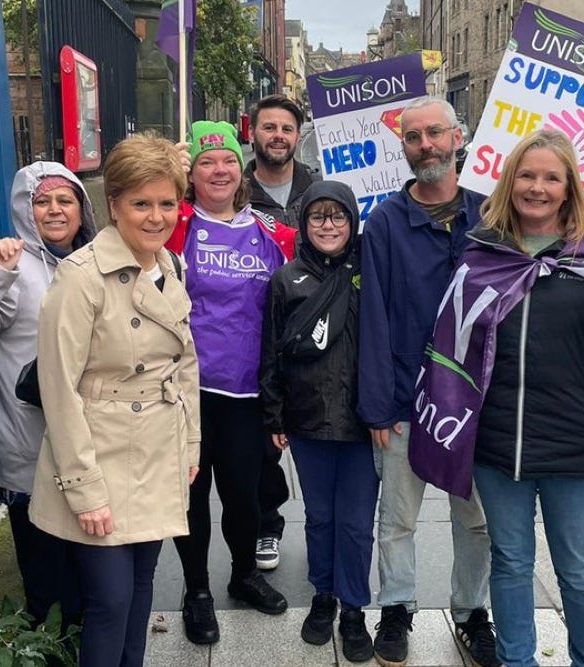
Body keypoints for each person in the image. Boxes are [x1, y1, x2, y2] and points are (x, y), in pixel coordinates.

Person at [425, 129, 584, 667]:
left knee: (578, 568)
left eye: (552, 177)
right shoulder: (482, 254)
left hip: (578, 443)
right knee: (509, 561)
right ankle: (516, 661)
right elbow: (454, 342)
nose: (538, 187)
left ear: (570, 187)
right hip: (498, 443)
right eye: (527, 175)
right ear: (510, 182)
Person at [27, 132, 200, 666]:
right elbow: (58, 389)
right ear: (114, 204)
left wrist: (190, 445)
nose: (156, 217)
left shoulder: (170, 266)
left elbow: (185, 364)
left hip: (157, 448)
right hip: (99, 454)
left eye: (167, 203)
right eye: (141, 204)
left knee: (143, 586)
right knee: (110, 599)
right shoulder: (80, 277)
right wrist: (84, 489)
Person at [357, 96, 499, 667]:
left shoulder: (491, 215)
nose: (426, 146)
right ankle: (396, 608)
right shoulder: (385, 222)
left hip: (475, 402)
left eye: (435, 133)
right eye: (413, 138)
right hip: (406, 401)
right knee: (397, 520)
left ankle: (471, 612)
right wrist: (379, 406)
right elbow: (373, 317)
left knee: (477, 520)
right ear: (404, 148)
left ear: (458, 136)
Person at [165, 120, 294, 646]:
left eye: (226, 162)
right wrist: (165, 169)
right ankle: (196, 590)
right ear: (191, 174)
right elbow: (126, 214)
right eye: (205, 162)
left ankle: (243, 575)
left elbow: (315, 270)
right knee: (191, 496)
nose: (218, 170)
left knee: (243, 494)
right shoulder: (174, 225)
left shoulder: (270, 233)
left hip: (246, 393)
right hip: (186, 392)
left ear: (240, 171)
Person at [259, 181, 378, 662]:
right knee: (320, 518)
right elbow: (270, 352)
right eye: (317, 216)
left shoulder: (371, 272)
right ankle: (323, 595)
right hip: (308, 422)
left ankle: (354, 608)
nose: (328, 225)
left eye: (338, 216)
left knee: (356, 524)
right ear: (304, 223)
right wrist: (274, 414)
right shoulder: (285, 280)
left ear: (352, 221)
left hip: (362, 424)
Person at [0, 161, 95, 631]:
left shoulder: (93, 260)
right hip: (28, 440)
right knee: (42, 562)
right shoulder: (13, 265)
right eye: (41, 201)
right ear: (25, 210)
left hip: (86, 437)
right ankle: (49, 641)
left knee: (86, 555)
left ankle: (84, 634)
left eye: (65, 200)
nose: (54, 210)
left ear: (81, 207)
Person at [244, 93, 320, 570]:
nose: (277, 136)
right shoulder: (234, 190)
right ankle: (266, 526)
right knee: (261, 443)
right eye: (269, 127)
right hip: (256, 333)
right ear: (253, 133)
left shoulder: (320, 187)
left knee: (319, 436)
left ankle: (324, 529)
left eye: (286, 129)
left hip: (316, 330)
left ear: (297, 135)